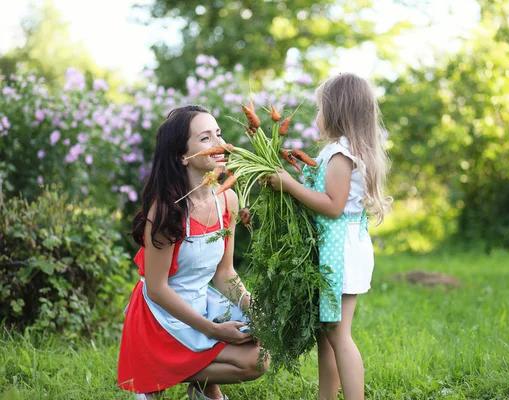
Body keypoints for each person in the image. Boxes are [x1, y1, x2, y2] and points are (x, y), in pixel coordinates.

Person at [118, 105, 269, 400]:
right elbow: (157, 288)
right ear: (182, 157)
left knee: (262, 352)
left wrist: (254, 310)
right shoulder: (166, 211)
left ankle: (197, 382)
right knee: (248, 358)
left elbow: (224, 273)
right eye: (205, 138)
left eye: (219, 134)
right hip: (160, 318)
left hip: (202, 304)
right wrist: (213, 331)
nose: (220, 144)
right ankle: (153, 370)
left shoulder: (227, 199)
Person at [268, 73, 392, 400]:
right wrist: (299, 176)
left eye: (320, 109)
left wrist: (291, 186)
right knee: (326, 333)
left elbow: (333, 206)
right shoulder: (341, 151)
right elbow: (326, 193)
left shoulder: (340, 153)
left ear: (336, 111)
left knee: (338, 334)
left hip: (341, 251)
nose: (317, 117)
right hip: (338, 247)